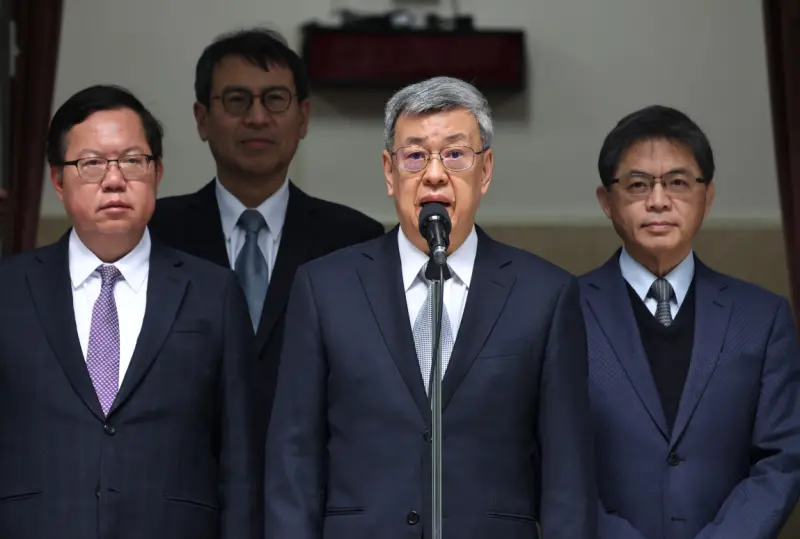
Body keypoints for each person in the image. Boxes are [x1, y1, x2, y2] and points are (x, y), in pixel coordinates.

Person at [264, 76, 597, 539]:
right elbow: (293, 460)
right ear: (389, 172)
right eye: (415, 156)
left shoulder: (544, 294)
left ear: (485, 170)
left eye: (455, 154)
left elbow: (568, 479)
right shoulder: (325, 288)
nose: (435, 174)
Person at [0, 85, 261, 539]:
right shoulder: (9, 289)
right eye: (92, 164)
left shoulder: (213, 292)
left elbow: (240, 458)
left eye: (132, 161)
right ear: (58, 181)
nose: (114, 180)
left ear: (157, 172)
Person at [147, 28, 385, 431]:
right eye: (237, 100)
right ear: (202, 120)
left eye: (275, 99)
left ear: (303, 118)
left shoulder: (354, 241)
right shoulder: (155, 234)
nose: (257, 118)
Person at [580, 105, 800, 539]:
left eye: (678, 183)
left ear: (707, 197)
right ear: (606, 201)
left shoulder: (763, 318)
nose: (658, 201)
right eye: (638, 185)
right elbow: (547, 461)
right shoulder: (561, 313)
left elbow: (784, 456)